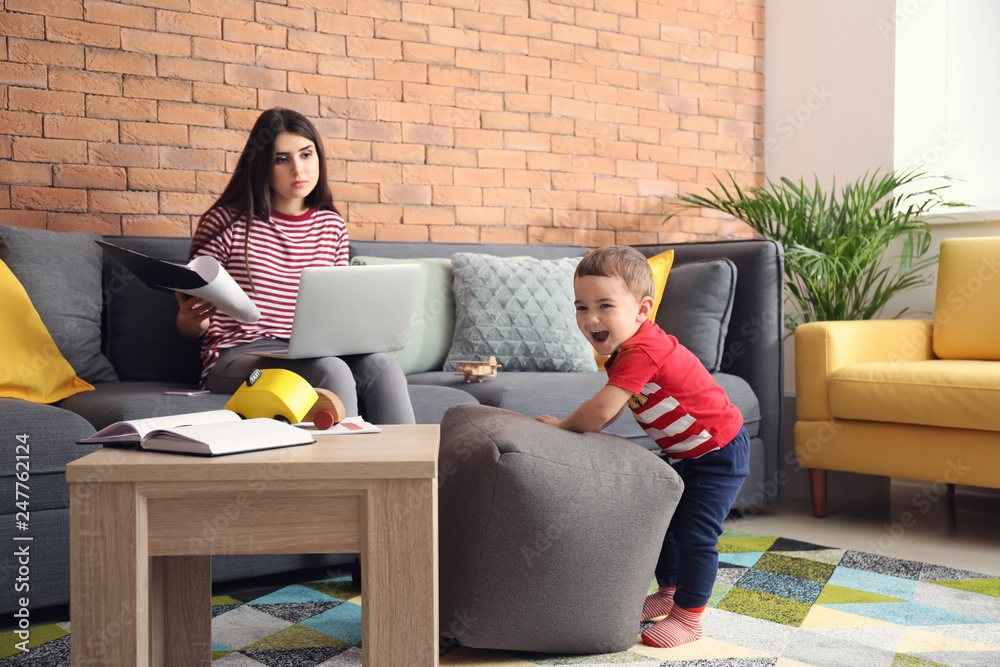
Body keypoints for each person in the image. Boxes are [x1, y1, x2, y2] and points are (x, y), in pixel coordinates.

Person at [536, 245, 749, 648]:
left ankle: (690, 617)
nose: (591, 318)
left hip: (717, 451)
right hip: (686, 454)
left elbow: (601, 410)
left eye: (604, 306)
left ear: (642, 310)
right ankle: (669, 591)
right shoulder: (625, 353)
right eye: (581, 307)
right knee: (665, 522)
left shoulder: (643, 350)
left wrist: (564, 427)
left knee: (696, 534)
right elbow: (614, 407)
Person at [175, 107, 415, 425]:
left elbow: (340, 310)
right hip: (238, 358)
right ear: (262, 164)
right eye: (281, 159)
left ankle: (415, 473)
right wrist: (191, 321)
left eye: (306, 155)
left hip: (311, 350)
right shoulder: (225, 223)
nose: (297, 169)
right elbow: (190, 323)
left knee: (382, 364)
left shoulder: (331, 226)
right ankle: (351, 471)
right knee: (331, 369)